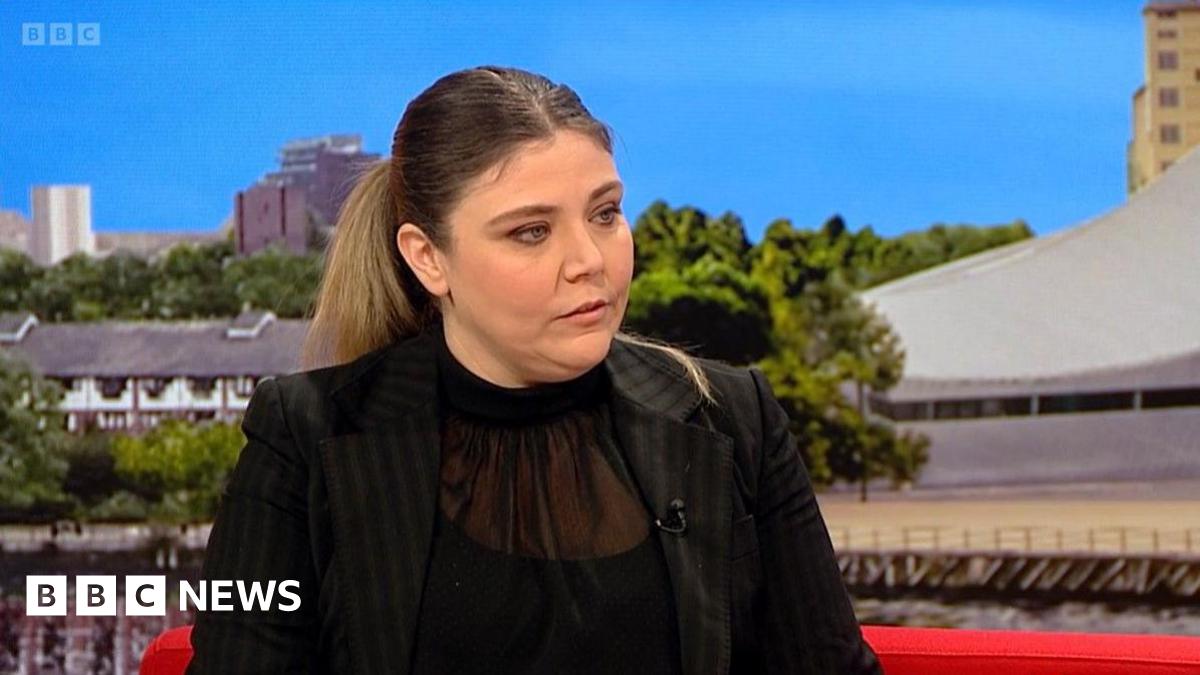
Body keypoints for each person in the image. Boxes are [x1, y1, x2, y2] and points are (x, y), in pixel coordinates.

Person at [186, 65, 882, 675]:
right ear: (428, 257)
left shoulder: (733, 416)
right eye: (531, 231)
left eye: (605, 214)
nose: (589, 260)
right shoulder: (305, 437)